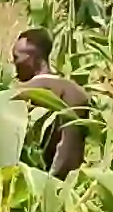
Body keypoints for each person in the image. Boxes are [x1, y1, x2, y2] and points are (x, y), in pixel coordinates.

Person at [12, 26, 92, 176]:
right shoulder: (77, 92)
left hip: (30, 181)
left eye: (16, 57)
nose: (14, 64)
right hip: (70, 184)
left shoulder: (21, 93)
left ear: (32, 58)